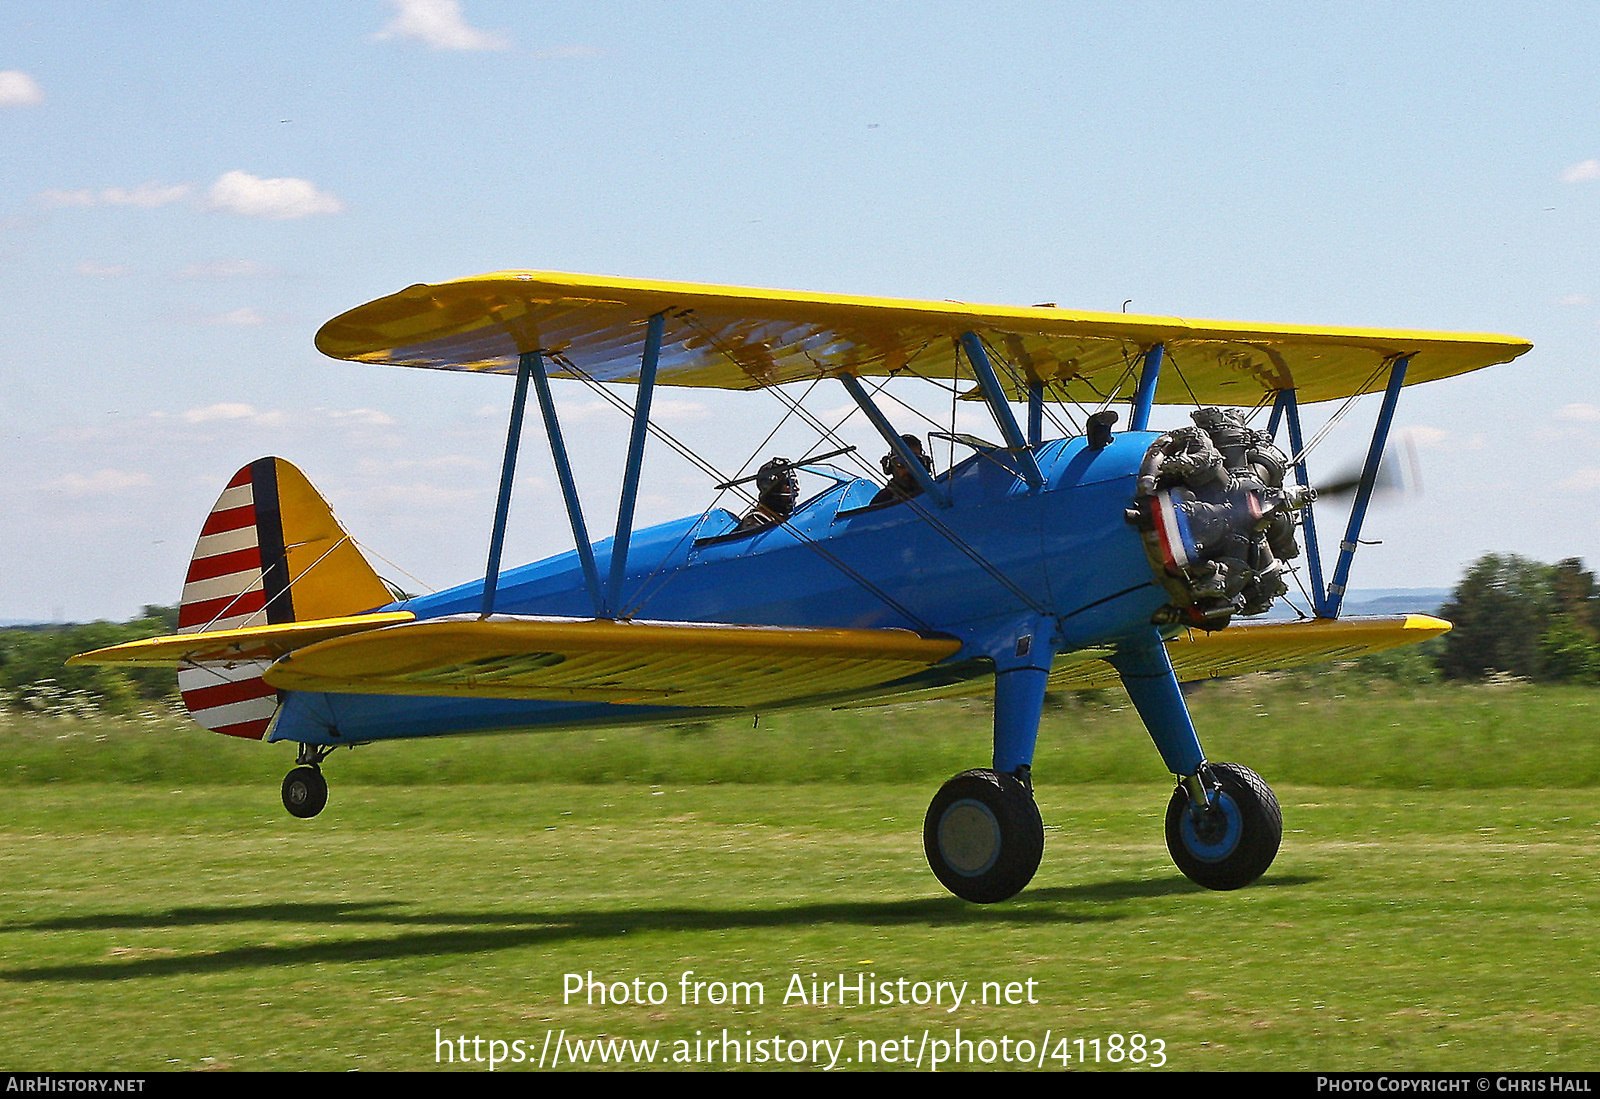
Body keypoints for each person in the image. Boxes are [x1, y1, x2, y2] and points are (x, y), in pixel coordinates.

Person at [734, 457, 800, 532]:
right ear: (774, 488)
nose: (797, 488)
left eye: (796, 482)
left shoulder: (791, 519)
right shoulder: (757, 520)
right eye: (790, 483)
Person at [870, 434, 933, 507]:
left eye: (915, 462)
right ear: (890, 466)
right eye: (900, 463)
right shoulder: (882, 501)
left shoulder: (936, 495)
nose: (908, 469)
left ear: (924, 464)